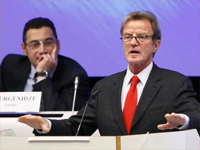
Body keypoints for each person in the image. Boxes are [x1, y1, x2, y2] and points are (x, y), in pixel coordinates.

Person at [18, 11, 199, 136]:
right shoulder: (104, 88)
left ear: (156, 45)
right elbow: (77, 126)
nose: (133, 42)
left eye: (141, 36)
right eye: (128, 37)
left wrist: (183, 121)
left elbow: (196, 117)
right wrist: (46, 124)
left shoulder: (175, 83)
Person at [1, 17, 90, 111]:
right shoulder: (10, 66)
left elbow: (65, 120)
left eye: (48, 43)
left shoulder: (74, 76)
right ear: (24, 49)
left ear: (58, 45)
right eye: (35, 44)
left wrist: (42, 76)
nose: (42, 50)